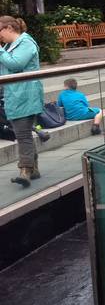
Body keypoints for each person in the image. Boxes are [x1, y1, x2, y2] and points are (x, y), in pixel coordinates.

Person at [0, 16, 44, 187]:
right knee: (23, 133)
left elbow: (16, 64)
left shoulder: (26, 43)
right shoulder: (8, 46)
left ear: (9, 28)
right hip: (15, 96)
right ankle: (34, 169)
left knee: (23, 134)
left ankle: (25, 170)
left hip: (26, 96)